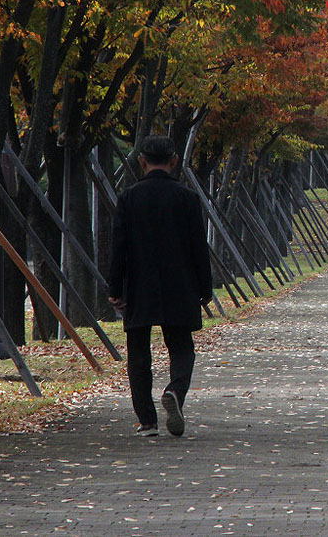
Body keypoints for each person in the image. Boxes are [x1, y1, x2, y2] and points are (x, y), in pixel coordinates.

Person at [108, 136, 213, 437]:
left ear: (141, 161)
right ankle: (176, 392)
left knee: (138, 353)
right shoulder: (187, 198)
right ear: (174, 160)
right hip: (181, 284)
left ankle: (147, 420)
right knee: (182, 348)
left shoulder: (129, 198)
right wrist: (204, 288)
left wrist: (116, 288)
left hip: (139, 285)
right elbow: (198, 248)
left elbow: (119, 248)